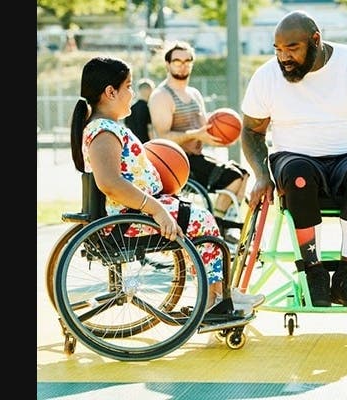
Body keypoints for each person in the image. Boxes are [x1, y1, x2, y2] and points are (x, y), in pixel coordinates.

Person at [240, 10, 347, 307]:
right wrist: (261, 175)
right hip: (294, 158)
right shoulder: (267, 76)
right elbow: (251, 130)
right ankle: (313, 272)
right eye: (278, 49)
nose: (284, 57)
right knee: (298, 174)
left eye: (292, 48)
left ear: (315, 40)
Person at [69, 56, 264, 312]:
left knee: (198, 219)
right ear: (110, 92)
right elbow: (110, 183)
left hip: (133, 214)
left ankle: (218, 293)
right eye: (128, 86)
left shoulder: (106, 128)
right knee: (204, 222)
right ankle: (216, 298)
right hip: (129, 220)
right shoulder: (104, 132)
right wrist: (157, 209)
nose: (132, 93)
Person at [148, 41, 250, 243]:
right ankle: (217, 226)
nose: (183, 65)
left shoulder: (194, 94)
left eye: (187, 61)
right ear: (167, 64)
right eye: (177, 61)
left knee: (244, 174)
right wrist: (196, 134)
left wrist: (221, 137)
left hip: (197, 157)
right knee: (233, 178)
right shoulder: (162, 96)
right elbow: (163, 136)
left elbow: (205, 129)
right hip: (176, 161)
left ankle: (223, 221)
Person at [124, 78, 155, 143]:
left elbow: (126, 127)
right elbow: (150, 129)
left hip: (133, 144)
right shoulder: (148, 108)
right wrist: (153, 143)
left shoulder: (130, 108)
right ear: (149, 90)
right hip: (146, 144)